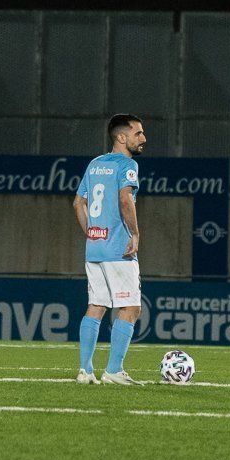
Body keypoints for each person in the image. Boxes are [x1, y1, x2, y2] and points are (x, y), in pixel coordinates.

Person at [72, 114, 146, 385]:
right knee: (130, 308)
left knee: (96, 306)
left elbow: (78, 203)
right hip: (118, 250)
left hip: (95, 249)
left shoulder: (95, 165)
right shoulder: (127, 165)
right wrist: (135, 234)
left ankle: (85, 370)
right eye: (138, 133)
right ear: (121, 137)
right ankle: (114, 370)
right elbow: (125, 198)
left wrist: (92, 234)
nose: (143, 139)